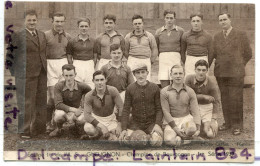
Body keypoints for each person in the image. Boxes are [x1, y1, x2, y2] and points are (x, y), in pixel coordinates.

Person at [7, 10, 47, 139]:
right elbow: (10, 57)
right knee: (26, 103)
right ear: (24, 21)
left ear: (37, 21)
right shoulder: (18, 35)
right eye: (29, 20)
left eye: (34, 20)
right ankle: (24, 131)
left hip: (41, 73)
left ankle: (39, 130)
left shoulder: (41, 34)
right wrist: (17, 73)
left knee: (40, 102)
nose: (32, 22)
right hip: (25, 75)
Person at [210, 13, 252, 135]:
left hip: (236, 73)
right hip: (221, 72)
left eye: (225, 19)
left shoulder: (240, 34)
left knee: (236, 99)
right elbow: (213, 53)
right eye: (220, 20)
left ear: (230, 20)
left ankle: (237, 125)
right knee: (225, 98)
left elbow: (248, 53)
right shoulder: (217, 36)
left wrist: (239, 64)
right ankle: (228, 123)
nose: (223, 22)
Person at [119, 63, 163, 147]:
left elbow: (159, 109)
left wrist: (157, 124)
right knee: (124, 141)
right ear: (134, 74)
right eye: (138, 73)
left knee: (156, 142)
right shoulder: (130, 88)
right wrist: (124, 128)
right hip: (135, 123)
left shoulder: (155, 87)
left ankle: (147, 137)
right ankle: (143, 137)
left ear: (147, 73)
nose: (140, 75)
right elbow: (126, 109)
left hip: (151, 123)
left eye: (143, 72)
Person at [160, 65, 201, 146]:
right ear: (171, 75)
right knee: (168, 141)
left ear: (184, 75)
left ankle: (186, 135)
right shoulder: (164, 91)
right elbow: (166, 112)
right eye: (175, 74)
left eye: (180, 73)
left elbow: (195, 110)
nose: (178, 76)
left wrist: (198, 129)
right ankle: (186, 140)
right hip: (171, 121)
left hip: (185, 120)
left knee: (191, 129)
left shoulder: (190, 91)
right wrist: (175, 129)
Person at [45, 12, 72, 133]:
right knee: (51, 97)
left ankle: (59, 125)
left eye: (62, 21)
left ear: (64, 22)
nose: (59, 24)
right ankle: (48, 123)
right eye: (57, 21)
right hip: (50, 64)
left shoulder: (68, 36)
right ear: (52, 21)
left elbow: (69, 54)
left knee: (63, 95)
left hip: (63, 65)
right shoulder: (45, 35)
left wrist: (70, 67)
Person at [49, 64, 91, 137]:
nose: (68, 78)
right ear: (63, 75)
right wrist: (74, 110)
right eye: (66, 75)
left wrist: (82, 107)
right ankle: (59, 128)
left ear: (75, 74)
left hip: (77, 112)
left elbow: (91, 95)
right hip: (64, 112)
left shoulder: (82, 86)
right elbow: (58, 104)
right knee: (58, 115)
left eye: (71, 75)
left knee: (83, 118)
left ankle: (77, 127)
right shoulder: (58, 86)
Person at [83, 70, 124, 140]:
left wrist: (119, 125)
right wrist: (102, 126)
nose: (99, 83)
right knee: (88, 128)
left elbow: (121, 107)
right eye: (97, 80)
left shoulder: (113, 90)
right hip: (97, 119)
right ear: (93, 81)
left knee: (117, 139)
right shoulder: (89, 95)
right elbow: (87, 115)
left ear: (106, 80)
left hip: (110, 119)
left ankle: (104, 135)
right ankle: (99, 134)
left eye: (102, 80)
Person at [185, 60, 221, 138]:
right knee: (190, 130)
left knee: (210, 134)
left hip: (206, 108)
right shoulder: (189, 79)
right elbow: (186, 96)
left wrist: (213, 119)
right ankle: (197, 126)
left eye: (203, 70)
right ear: (195, 70)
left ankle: (207, 125)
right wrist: (203, 96)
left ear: (207, 71)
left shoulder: (212, 82)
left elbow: (216, 101)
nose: (201, 73)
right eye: (198, 70)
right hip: (193, 108)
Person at [155, 10, 184, 88]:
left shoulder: (180, 31)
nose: (169, 20)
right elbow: (157, 46)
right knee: (164, 79)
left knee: (176, 79)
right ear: (164, 19)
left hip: (175, 57)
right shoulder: (158, 32)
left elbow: (183, 46)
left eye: (171, 18)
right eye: (167, 18)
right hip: (163, 58)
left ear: (174, 19)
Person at [125, 14, 158, 81]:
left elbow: (154, 49)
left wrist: (150, 61)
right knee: (132, 80)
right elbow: (125, 50)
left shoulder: (149, 36)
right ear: (133, 25)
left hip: (145, 60)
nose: (137, 25)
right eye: (135, 24)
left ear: (143, 24)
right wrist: (131, 59)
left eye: (139, 23)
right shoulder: (128, 36)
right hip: (132, 60)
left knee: (146, 80)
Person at [66, 18, 95, 89]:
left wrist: (92, 65)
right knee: (77, 86)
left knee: (90, 85)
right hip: (77, 63)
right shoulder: (72, 41)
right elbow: (69, 55)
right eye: (81, 26)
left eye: (86, 26)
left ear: (89, 27)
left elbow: (95, 55)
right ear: (78, 27)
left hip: (89, 64)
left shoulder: (94, 41)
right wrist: (72, 66)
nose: (84, 28)